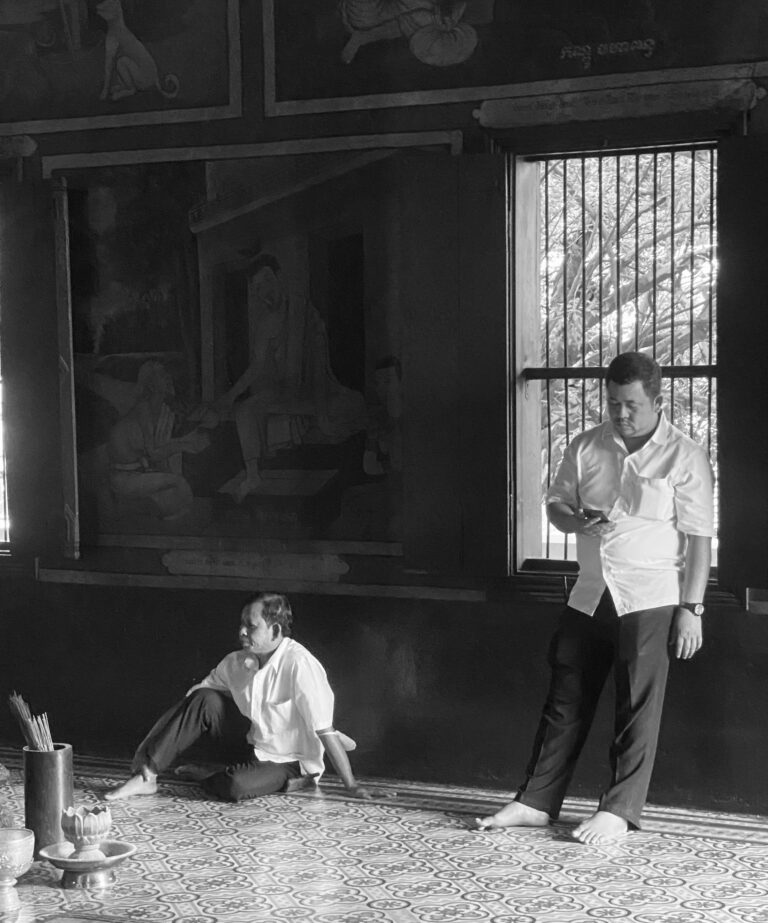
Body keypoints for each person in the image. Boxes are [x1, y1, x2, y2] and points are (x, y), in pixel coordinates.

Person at [477, 352, 715, 845]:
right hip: (590, 592)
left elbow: (698, 540)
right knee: (564, 700)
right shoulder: (586, 445)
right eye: (613, 403)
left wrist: (692, 609)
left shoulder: (685, 455)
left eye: (631, 405)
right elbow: (556, 505)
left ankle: (618, 811)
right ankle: (535, 802)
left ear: (658, 402)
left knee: (636, 709)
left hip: (651, 596)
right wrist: (576, 521)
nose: (620, 413)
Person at [106, 592, 379, 802]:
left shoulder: (300, 665)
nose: (242, 632)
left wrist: (351, 785)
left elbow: (325, 730)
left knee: (234, 786)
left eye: (251, 626)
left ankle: (212, 775)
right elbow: (191, 705)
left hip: (290, 761)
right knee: (205, 697)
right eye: (241, 624)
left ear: (275, 630)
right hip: (251, 746)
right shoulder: (236, 662)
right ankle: (148, 777)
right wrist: (147, 751)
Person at [215, 254, 367, 503]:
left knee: (355, 403)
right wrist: (231, 395)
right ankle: (252, 475)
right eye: (257, 287)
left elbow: (318, 364)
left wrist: (322, 413)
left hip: (317, 388)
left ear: (279, 277)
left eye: (266, 281)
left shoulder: (304, 311)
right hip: (285, 392)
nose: (263, 290)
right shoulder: (265, 324)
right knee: (245, 410)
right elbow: (257, 367)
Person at [107, 361, 210, 520]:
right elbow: (154, 453)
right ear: (151, 384)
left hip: (140, 472)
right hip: (124, 477)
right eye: (161, 375)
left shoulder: (163, 410)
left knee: (175, 492)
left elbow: (158, 451)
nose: (167, 377)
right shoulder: (144, 408)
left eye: (167, 373)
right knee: (180, 484)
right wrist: (186, 445)